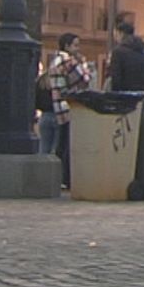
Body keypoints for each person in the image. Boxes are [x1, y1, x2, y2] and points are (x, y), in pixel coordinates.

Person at [45, 33, 92, 190]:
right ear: (67, 46)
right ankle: (67, 177)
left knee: (60, 144)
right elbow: (84, 79)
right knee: (68, 145)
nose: (78, 49)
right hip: (69, 107)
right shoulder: (68, 61)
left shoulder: (55, 61)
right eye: (75, 45)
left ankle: (58, 178)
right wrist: (84, 66)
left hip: (58, 106)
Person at [107, 21, 144, 97]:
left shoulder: (118, 52)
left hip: (124, 97)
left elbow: (116, 80)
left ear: (121, 33)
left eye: (116, 35)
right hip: (142, 96)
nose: (115, 39)